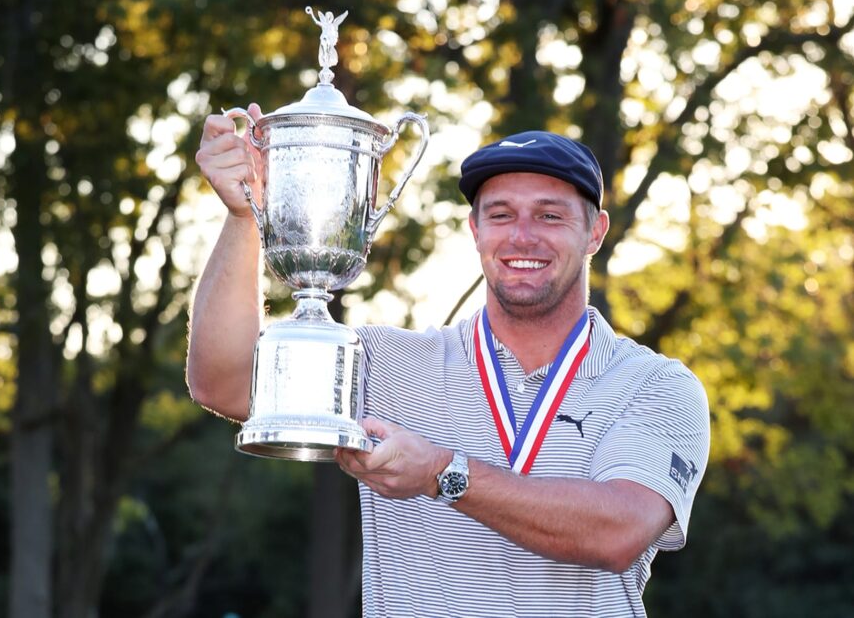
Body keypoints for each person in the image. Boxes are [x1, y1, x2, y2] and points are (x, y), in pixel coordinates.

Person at [188, 103, 710, 618]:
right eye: (501, 215)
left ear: (595, 231)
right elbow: (223, 383)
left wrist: (444, 472)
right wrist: (244, 215)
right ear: (475, 231)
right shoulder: (389, 363)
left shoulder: (655, 384)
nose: (522, 236)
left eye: (549, 215)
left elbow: (618, 532)